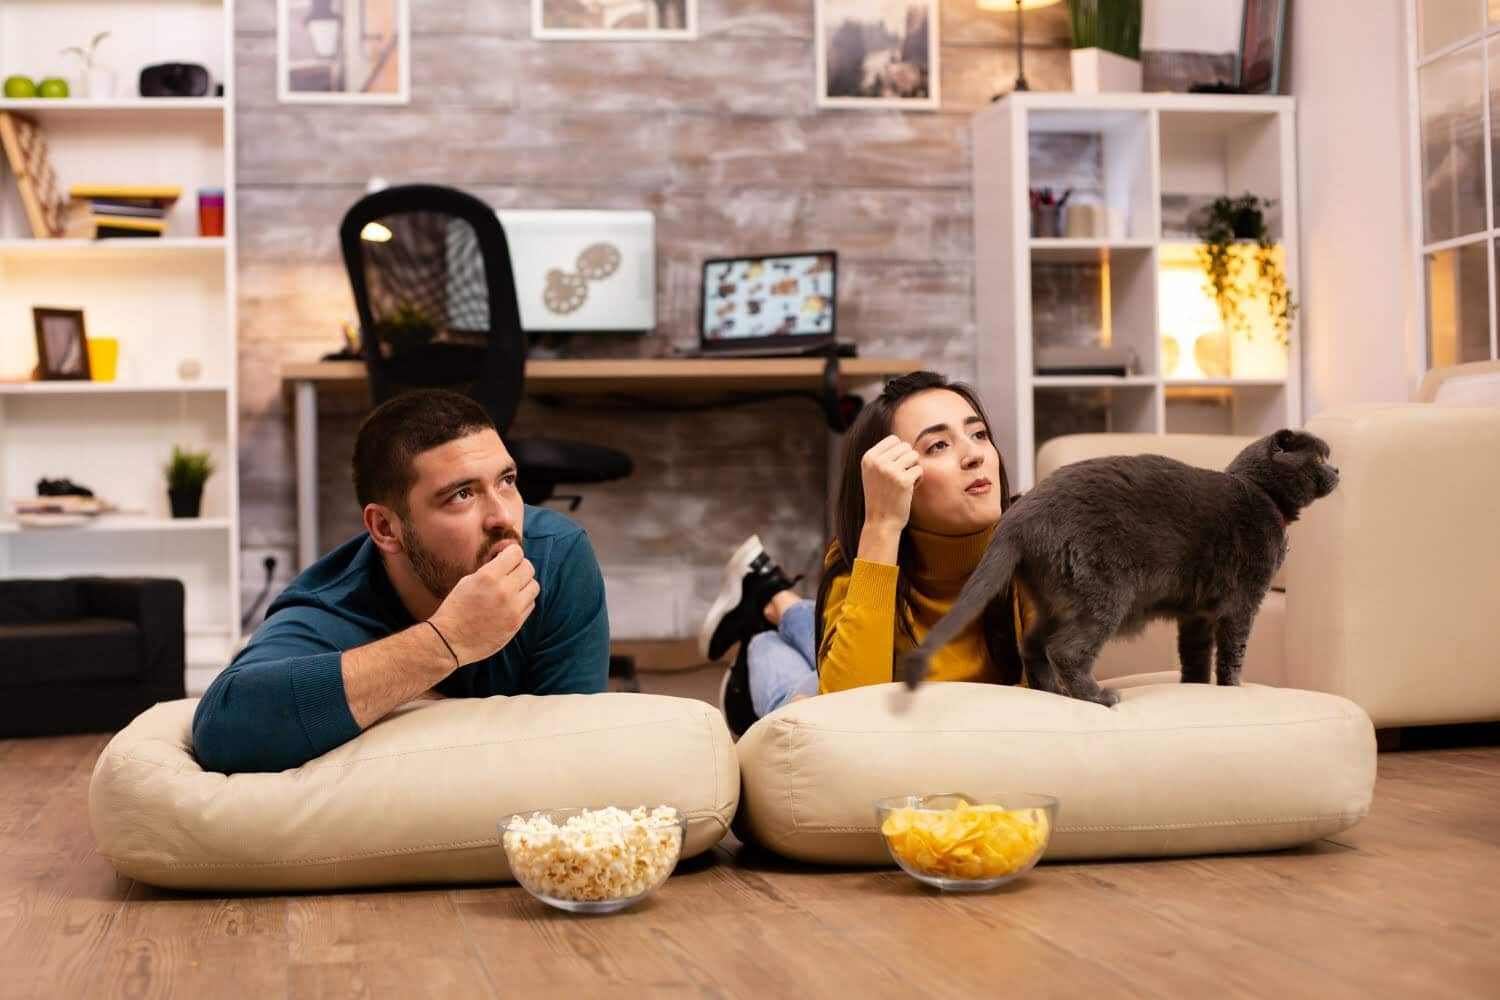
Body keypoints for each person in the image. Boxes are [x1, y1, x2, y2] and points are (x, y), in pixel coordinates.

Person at [192, 389, 610, 773]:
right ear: (386, 528)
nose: (503, 516)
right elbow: (223, 728)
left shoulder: (556, 555)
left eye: (507, 481)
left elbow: (571, 755)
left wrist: (404, 702)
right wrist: (446, 643)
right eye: (462, 494)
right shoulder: (330, 606)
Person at [699, 371, 1027, 736]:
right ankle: (771, 611)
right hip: (874, 676)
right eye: (938, 445)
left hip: (888, 692)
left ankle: (774, 600)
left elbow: (1048, 704)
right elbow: (847, 721)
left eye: (978, 434)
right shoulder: (862, 553)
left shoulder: (1039, 548)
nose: (975, 455)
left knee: (791, 679)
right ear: (892, 477)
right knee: (774, 658)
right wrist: (882, 526)